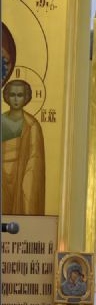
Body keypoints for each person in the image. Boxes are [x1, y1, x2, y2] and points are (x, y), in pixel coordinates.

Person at [2, 79, 45, 215]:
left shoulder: (31, 125)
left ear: (26, 98)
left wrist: (27, 183)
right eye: (12, 95)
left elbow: (34, 158)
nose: (16, 99)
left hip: (20, 175)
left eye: (20, 95)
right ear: (6, 96)